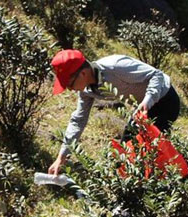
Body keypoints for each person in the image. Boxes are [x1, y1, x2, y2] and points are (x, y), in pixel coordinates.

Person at [48, 49, 180, 175]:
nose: (70, 89)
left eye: (70, 84)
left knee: (148, 151)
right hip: (144, 109)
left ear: (82, 74)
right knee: (126, 149)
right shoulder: (86, 91)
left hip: (166, 101)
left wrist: (148, 101)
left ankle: (174, 179)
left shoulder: (116, 66)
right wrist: (62, 156)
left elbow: (156, 75)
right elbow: (78, 120)